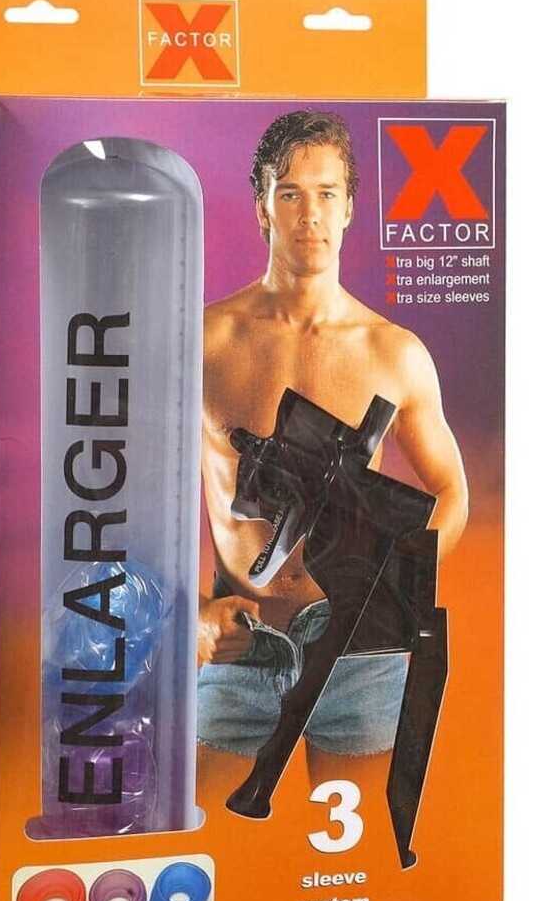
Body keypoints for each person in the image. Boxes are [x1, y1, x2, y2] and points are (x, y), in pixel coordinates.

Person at [198, 110, 468, 794]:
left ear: (349, 208)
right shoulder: (201, 342)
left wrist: (394, 580)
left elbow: (451, 491)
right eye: (289, 193)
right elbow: (128, 495)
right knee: (208, 844)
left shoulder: (393, 352)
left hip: (359, 651)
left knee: (358, 847)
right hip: (238, 637)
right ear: (263, 208)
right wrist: (189, 615)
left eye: (326, 193)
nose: (310, 213)